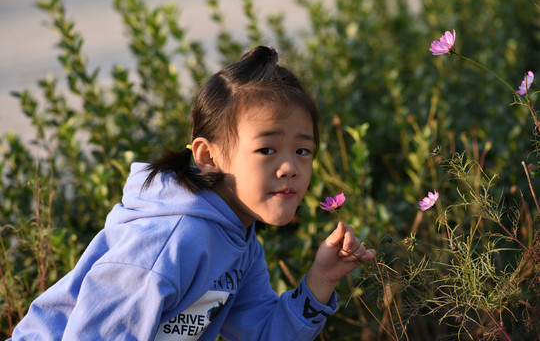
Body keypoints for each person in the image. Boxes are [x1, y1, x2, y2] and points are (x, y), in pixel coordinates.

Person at [9, 46, 376, 341]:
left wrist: (321, 280)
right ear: (208, 156)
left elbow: (262, 332)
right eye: (267, 149)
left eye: (303, 151)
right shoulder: (170, 241)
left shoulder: (238, 239)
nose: (290, 167)